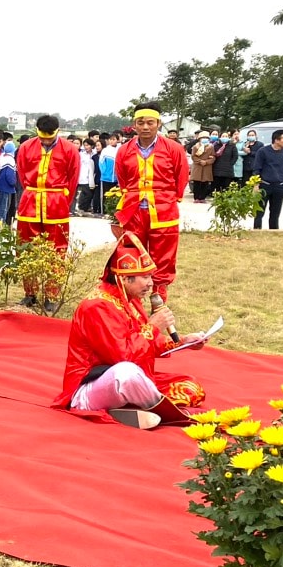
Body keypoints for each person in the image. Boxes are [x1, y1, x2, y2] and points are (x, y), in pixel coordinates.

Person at [53, 231, 206, 428]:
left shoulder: (131, 300)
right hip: (92, 386)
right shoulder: (97, 306)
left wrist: (184, 341)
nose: (151, 283)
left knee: (191, 387)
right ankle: (160, 411)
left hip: (134, 377)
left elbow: (149, 344)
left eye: (151, 276)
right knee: (127, 374)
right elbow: (123, 356)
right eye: (145, 277)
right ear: (124, 279)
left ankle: (135, 407)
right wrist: (152, 326)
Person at [112, 103, 189, 305]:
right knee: (133, 256)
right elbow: (122, 178)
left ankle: (158, 304)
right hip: (133, 211)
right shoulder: (124, 151)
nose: (145, 127)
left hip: (163, 212)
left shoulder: (173, 149)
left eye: (150, 123)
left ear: (158, 124)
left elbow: (181, 176)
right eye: (141, 123)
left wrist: (172, 199)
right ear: (134, 125)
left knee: (163, 260)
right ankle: (132, 306)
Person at [15, 115, 80, 311]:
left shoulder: (69, 149)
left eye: (49, 137)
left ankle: (51, 295)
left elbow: (73, 177)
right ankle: (30, 293)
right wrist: (32, 192)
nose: (45, 141)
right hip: (30, 202)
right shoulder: (27, 147)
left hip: (56, 202)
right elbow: (22, 173)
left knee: (57, 250)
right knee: (26, 248)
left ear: (57, 131)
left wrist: (62, 198)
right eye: (42, 137)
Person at [253, 129, 283, 230]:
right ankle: (257, 231)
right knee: (259, 212)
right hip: (264, 186)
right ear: (276, 140)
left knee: (275, 214)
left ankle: (274, 232)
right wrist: (256, 184)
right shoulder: (263, 151)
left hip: (279, 186)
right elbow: (257, 169)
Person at [189, 132, 215, 203]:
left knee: (205, 183)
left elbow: (213, 157)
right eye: (203, 138)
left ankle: (202, 197)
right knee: (196, 183)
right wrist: (200, 161)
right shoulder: (195, 147)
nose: (204, 139)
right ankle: (196, 197)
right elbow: (193, 156)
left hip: (206, 167)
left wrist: (206, 162)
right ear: (199, 139)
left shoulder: (211, 147)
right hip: (197, 166)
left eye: (206, 138)